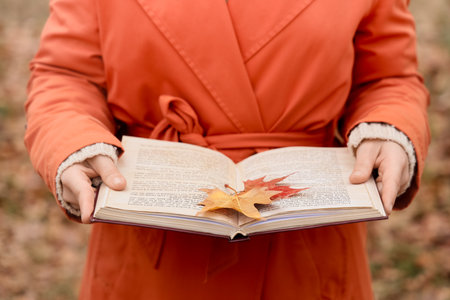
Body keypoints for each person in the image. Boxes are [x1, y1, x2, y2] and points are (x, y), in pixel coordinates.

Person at [25, 0, 430, 299]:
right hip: (150, 233)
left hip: (307, 234)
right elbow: (67, 75)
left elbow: (387, 77)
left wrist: (388, 129)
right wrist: (73, 139)